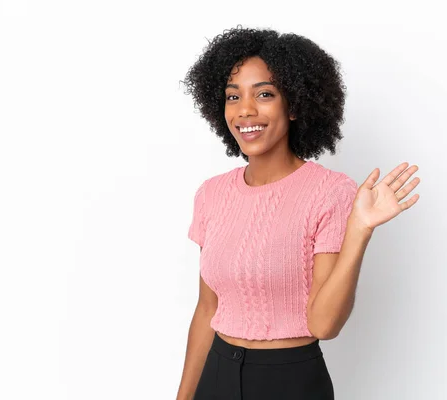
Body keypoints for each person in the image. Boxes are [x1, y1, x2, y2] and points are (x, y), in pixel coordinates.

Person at [176, 26, 421, 400]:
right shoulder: (211, 194)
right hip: (217, 374)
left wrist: (359, 229)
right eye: (232, 96)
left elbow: (323, 324)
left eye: (264, 94)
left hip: (289, 381)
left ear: (294, 105)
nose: (245, 110)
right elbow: (207, 308)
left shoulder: (330, 192)